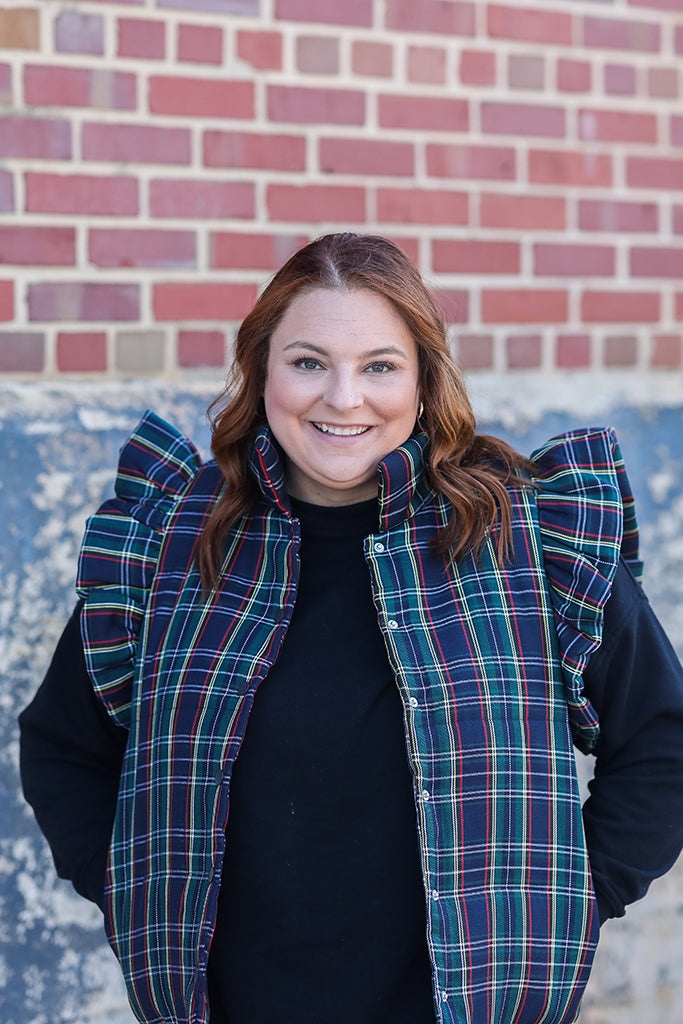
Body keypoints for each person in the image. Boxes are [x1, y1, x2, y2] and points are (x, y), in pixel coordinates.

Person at [19, 233, 683, 1024]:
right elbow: (64, 747)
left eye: (378, 365)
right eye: (307, 362)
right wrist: (141, 892)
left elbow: (660, 740)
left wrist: (577, 894)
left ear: (423, 379)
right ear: (262, 369)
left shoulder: (523, 538)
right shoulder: (171, 542)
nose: (343, 398)